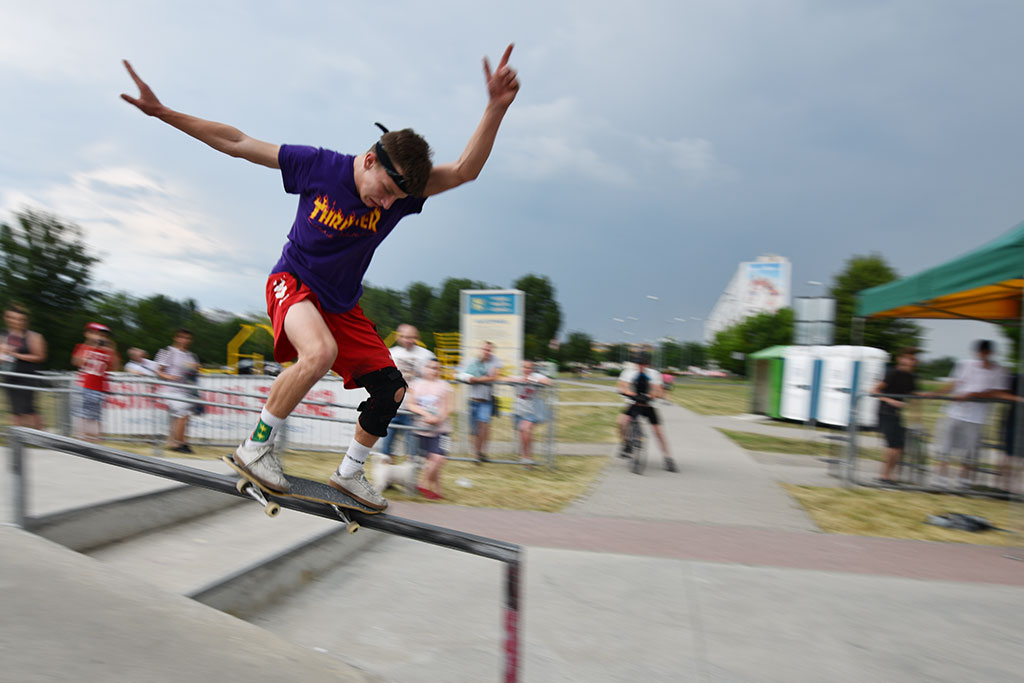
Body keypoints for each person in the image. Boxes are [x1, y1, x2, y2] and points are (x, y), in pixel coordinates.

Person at [121, 45, 519, 510]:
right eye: (386, 192)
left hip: (342, 304)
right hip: (292, 283)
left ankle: (350, 474)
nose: (388, 205)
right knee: (319, 352)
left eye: (398, 199)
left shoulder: (403, 191)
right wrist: (163, 112)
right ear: (370, 160)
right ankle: (256, 448)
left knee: (391, 387)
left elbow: (466, 170)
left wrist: (495, 107)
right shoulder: (318, 165)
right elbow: (236, 142)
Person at [930, 339, 1009, 489]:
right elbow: (953, 384)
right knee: (944, 447)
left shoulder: (999, 370)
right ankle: (940, 479)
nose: (982, 356)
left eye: (985, 353)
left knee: (970, 451)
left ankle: (963, 482)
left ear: (991, 353)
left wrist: (972, 394)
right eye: (980, 353)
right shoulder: (964, 364)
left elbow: (997, 393)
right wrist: (934, 393)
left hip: (976, 418)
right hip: (954, 413)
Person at [379, 323, 435, 458]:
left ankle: (409, 477)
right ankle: (385, 476)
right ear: (398, 336)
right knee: (386, 448)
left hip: (415, 410)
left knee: (412, 451)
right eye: (405, 337)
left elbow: (433, 379)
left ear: (417, 337)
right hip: (393, 408)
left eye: (412, 337)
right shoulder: (390, 353)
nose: (409, 340)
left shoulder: (427, 356)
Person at [617, 351, 677, 472]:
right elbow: (622, 386)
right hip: (633, 403)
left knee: (658, 432)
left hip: (648, 405)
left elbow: (658, 390)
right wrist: (630, 393)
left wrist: (651, 395)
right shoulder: (628, 373)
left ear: (648, 364)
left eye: (643, 363)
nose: (641, 366)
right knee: (621, 423)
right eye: (639, 363)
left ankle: (668, 458)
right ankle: (626, 444)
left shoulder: (654, 374)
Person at [406, 358, 454, 500]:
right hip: (421, 428)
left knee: (438, 458)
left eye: (436, 368)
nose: (433, 371)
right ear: (424, 368)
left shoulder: (445, 386)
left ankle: (423, 482)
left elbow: (449, 407)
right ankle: (438, 490)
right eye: (430, 367)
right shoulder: (416, 385)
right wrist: (426, 414)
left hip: (441, 429)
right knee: (430, 460)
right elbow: (411, 405)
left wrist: (439, 418)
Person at [874, 347, 920, 485]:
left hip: (897, 414)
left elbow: (913, 395)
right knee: (893, 446)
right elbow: (875, 391)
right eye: (908, 357)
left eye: (913, 358)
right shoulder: (893, 373)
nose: (911, 361)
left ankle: (889, 475)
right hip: (885, 412)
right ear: (900, 359)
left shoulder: (911, 377)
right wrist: (891, 400)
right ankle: (884, 475)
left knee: (900, 447)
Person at [0, 303, 47, 429]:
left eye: (20, 319)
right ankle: (17, 439)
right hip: (9, 376)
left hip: (28, 377)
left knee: (29, 409)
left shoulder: (33, 336)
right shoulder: (3, 335)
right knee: (14, 409)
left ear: (25, 321)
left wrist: (15, 354)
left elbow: (40, 357)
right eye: (13, 318)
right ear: (7, 318)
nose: (16, 322)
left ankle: (40, 437)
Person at [71, 323, 121, 442]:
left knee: (95, 417)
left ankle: (95, 441)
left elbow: (116, 367)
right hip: (83, 386)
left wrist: (112, 350)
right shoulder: (83, 347)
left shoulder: (108, 351)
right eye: (99, 335)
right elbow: (76, 362)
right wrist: (91, 346)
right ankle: (82, 440)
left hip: (99, 388)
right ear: (90, 334)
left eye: (104, 336)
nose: (101, 339)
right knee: (82, 415)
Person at [155, 329, 200, 453]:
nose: (184, 340)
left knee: (181, 417)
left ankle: (173, 442)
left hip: (185, 390)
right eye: (182, 337)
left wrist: (195, 368)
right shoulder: (167, 352)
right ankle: (180, 443)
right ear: (176, 338)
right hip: (170, 389)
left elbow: (193, 372)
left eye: (187, 338)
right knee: (182, 414)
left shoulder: (190, 355)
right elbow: (158, 370)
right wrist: (170, 377)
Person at [457, 341, 502, 464]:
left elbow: (495, 377)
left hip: (486, 400)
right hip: (473, 400)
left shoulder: (495, 361)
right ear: (480, 349)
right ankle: (476, 453)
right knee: (474, 430)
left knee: (484, 426)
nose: (487, 352)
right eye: (485, 349)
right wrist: (471, 378)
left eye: (489, 350)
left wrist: (476, 379)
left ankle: (481, 453)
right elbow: (459, 374)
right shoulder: (472, 361)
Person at [510, 359, 552, 467]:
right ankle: (525, 457)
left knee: (526, 429)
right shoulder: (517, 377)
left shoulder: (536, 376)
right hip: (519, 410)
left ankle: (528, 458)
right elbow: (502, 378)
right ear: (521, 368)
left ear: (532, 368)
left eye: (528, 367)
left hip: (533, 410)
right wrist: (517, 380)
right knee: (522, 433)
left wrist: (533, 380)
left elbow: (548, 381)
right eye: (524, 367)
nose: (526, 369)